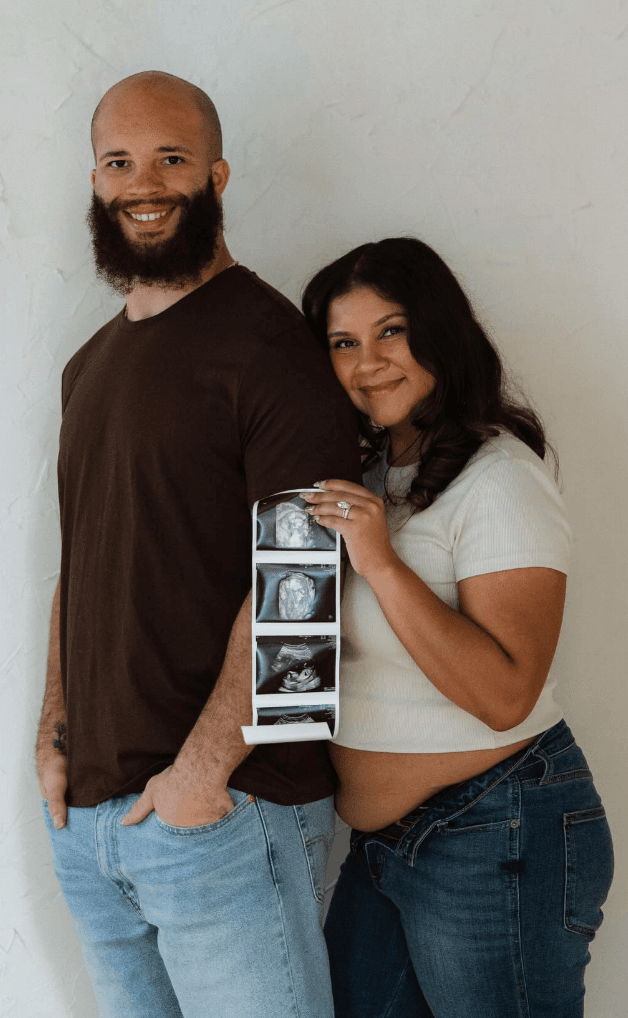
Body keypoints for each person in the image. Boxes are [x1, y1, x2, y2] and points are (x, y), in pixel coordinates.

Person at [36, 71, 361, 1018]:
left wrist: (204, 773)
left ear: (216, 173)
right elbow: (84, 564)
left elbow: (306, 581)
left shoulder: (270, 350)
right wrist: (56, 738)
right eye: (119, 161)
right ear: (95, 181)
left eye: (171, 158)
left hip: (229, 814)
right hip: (94, 821)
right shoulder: (88, 366)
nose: (144, 181)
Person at [300, 237, 614, 1018]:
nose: (367, 361)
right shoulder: (368, 475)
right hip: (386, 844)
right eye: (344, 342)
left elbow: (507, 692)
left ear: (442, 331)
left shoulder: (500, 475)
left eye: (392, 331)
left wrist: (379, 561)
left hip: (495, 830)